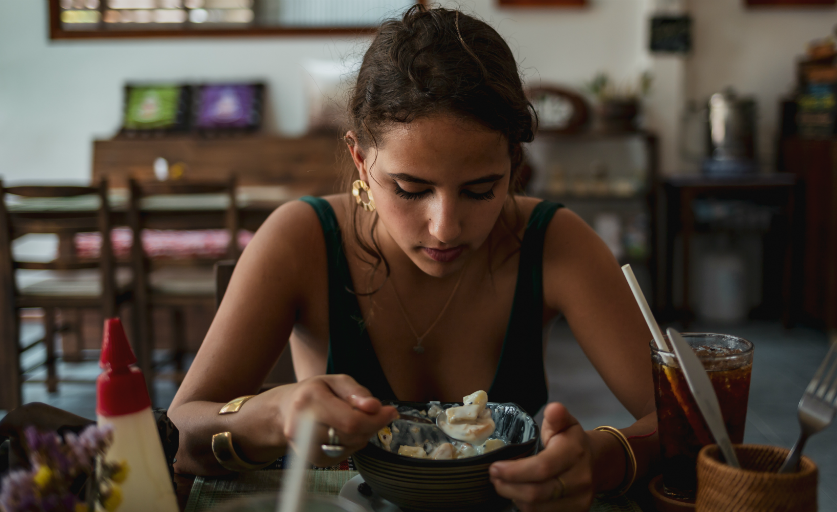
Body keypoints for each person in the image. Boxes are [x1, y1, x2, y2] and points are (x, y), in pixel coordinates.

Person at [167, 5, 658, 510]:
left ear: (514, 163)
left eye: (481, 190)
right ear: (360, 158)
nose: (444, 227)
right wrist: (275, 413)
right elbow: (182, 439)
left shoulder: (553, 242)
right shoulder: (302, 241)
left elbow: (690, 422)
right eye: (409, 189)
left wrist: (600, 458)